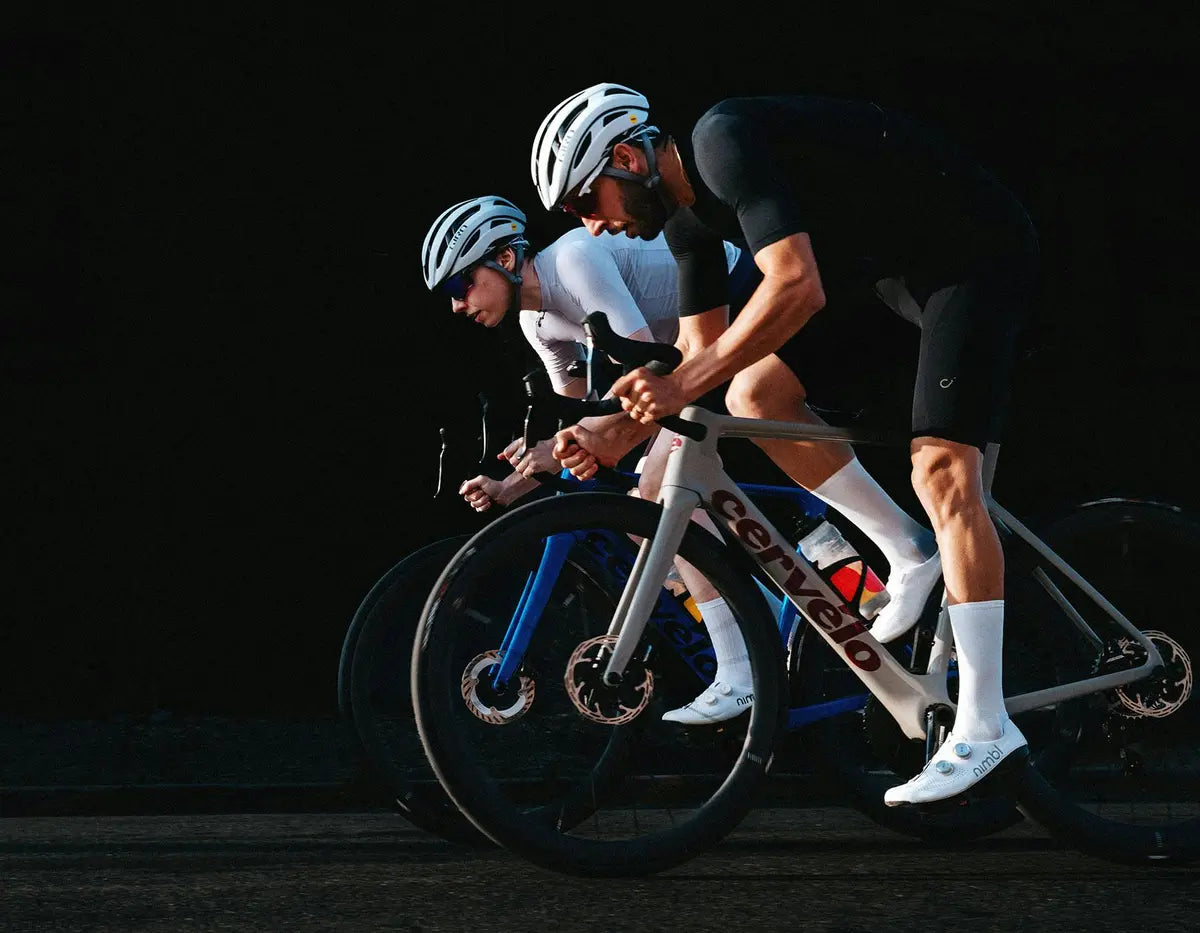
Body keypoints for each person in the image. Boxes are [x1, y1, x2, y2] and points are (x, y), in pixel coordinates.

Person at [531, 83, 1039, 806]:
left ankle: (987, 726)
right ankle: (908, 552)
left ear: (625, 158)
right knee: (754, 395)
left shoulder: (720, 141)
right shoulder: (688, 229)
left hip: (971, 254)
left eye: (587, 203)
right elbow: (697, 363)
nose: (592, 226)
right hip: (886, 278)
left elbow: (795, 286)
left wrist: (675, 390)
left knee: (942, 469)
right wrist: (618, 428)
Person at [420, 193, 759, 722]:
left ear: (506, 259)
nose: (457, 305)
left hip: (738, 308)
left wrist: (575, 440)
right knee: (640, 516)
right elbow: (577, 418)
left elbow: (646, 368)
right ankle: (776, 584)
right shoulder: (538, 325)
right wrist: (511, 483)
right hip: (686, 353)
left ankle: (743, 668)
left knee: (658, 490)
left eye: (460, 285)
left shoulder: (574, 261)